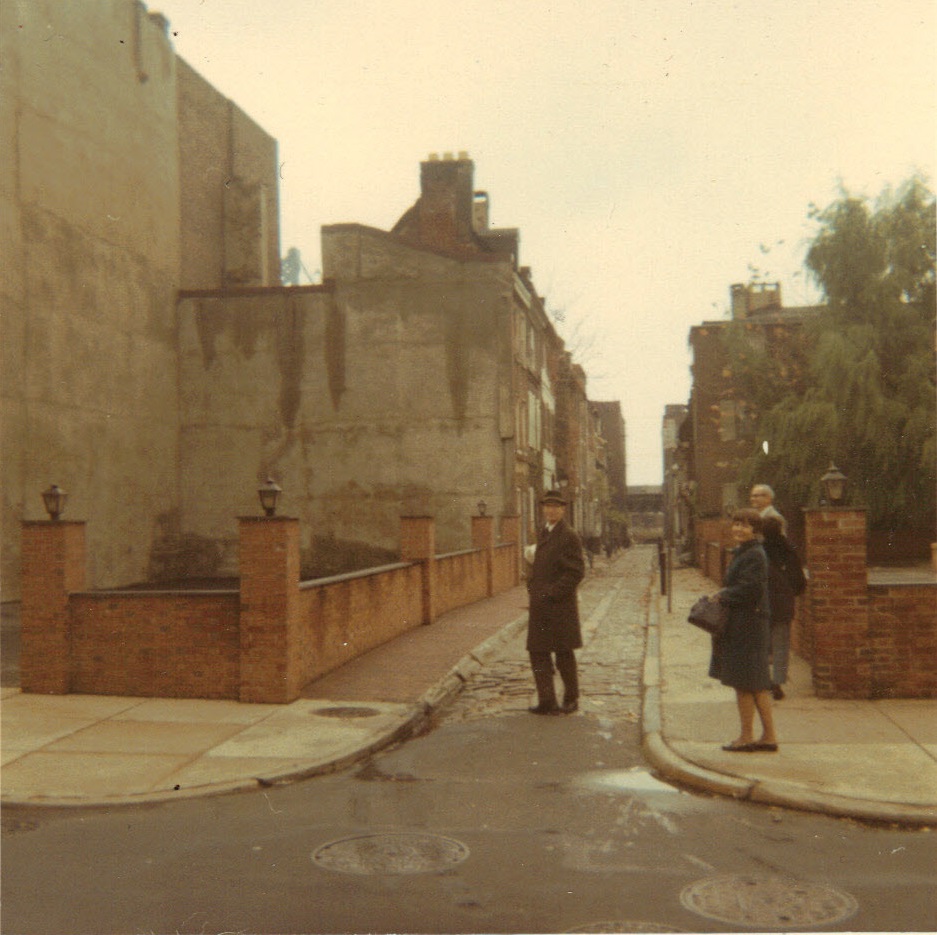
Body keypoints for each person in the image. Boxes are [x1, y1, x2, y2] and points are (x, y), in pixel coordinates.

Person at [708, 508, 778, 752]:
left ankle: (747, 737)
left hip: (748, 625)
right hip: (747, 623)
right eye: (736, 524)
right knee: (756, 683)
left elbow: (750, 589)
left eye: (745, 525)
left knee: (745, 683)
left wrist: (723, 595)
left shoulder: (754, 554)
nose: (738, 529)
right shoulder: (746, 551)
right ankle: (768, 737)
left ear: (755, 530)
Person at [526, 490, 586, 715]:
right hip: (540, 606)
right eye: (547, 506)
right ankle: (547, 701)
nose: (551, 511)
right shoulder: (544, 531)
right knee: (538, 652)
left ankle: (571, 699)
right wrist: (532, 586)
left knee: (563, 654)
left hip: (560, 606)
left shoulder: (569, 535)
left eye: (555, 507)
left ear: (562, 510)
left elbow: (576, 571)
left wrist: (552, 593)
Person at [761, 515, 806, 700]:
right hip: (783, 603)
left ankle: (763, 680)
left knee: (762, 644)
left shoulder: (758, 551)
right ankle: (778, 681)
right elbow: (799, 581)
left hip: (762, 604)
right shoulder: (788, 549)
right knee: (781, 644)